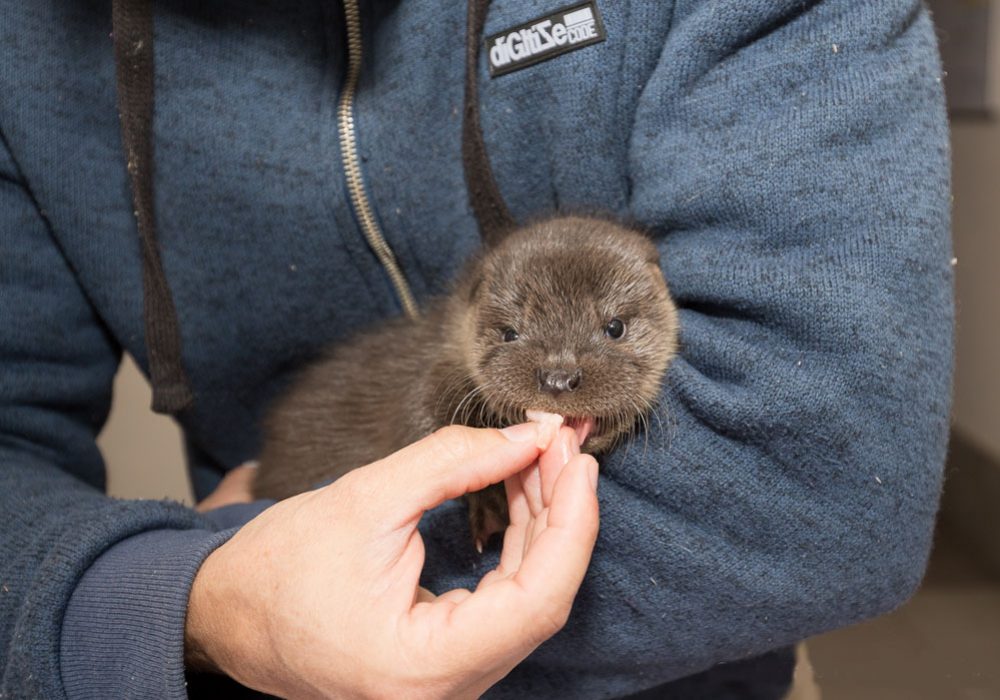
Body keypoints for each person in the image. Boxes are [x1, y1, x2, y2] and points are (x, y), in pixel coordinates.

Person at [0, 0, 952, 698]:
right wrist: (195, 604)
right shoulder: (25, 40)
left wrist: (256, 585)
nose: (563, 372)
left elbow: (828, 488)